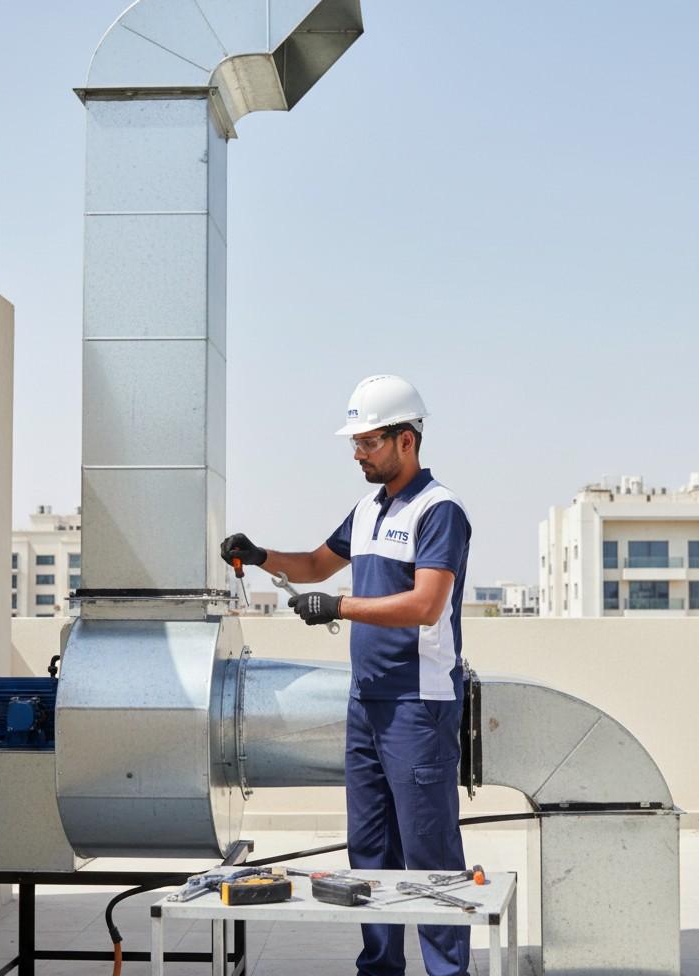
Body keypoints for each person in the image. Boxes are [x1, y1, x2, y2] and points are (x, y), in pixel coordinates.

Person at [221, 374, 472, 976]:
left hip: (418, 704)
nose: (358, 453)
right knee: (371, 850)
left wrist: (340, 606)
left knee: (429, 852)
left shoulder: (440, 512)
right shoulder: (366, 510)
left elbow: (425, 605)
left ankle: (447, 971)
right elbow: (314, 564)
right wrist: (260, 556)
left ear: (407, 439)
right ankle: (380, 968)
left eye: (368, 441)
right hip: (366, 704)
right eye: (355, 442)